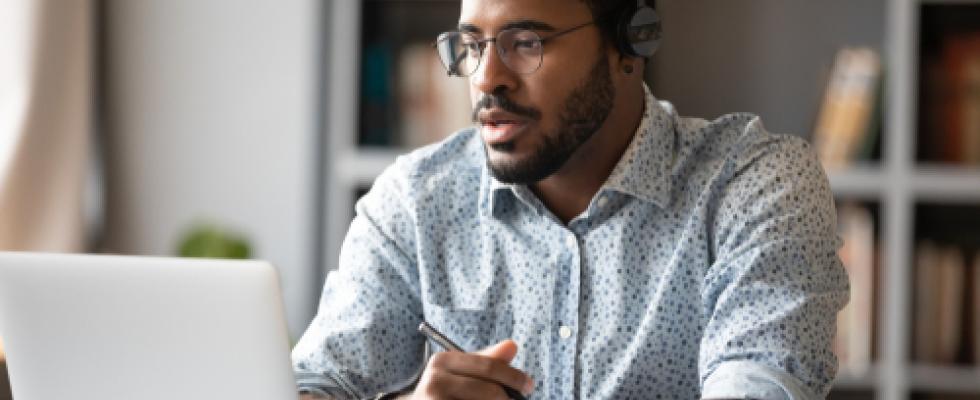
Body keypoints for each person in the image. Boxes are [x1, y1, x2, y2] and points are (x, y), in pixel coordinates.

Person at [292, 0, 849, 398]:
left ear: (631, 42)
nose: (487, 79)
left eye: (526, 43)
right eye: (471, 46)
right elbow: (315, 386)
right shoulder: (415, 202)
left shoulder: (752, 186)